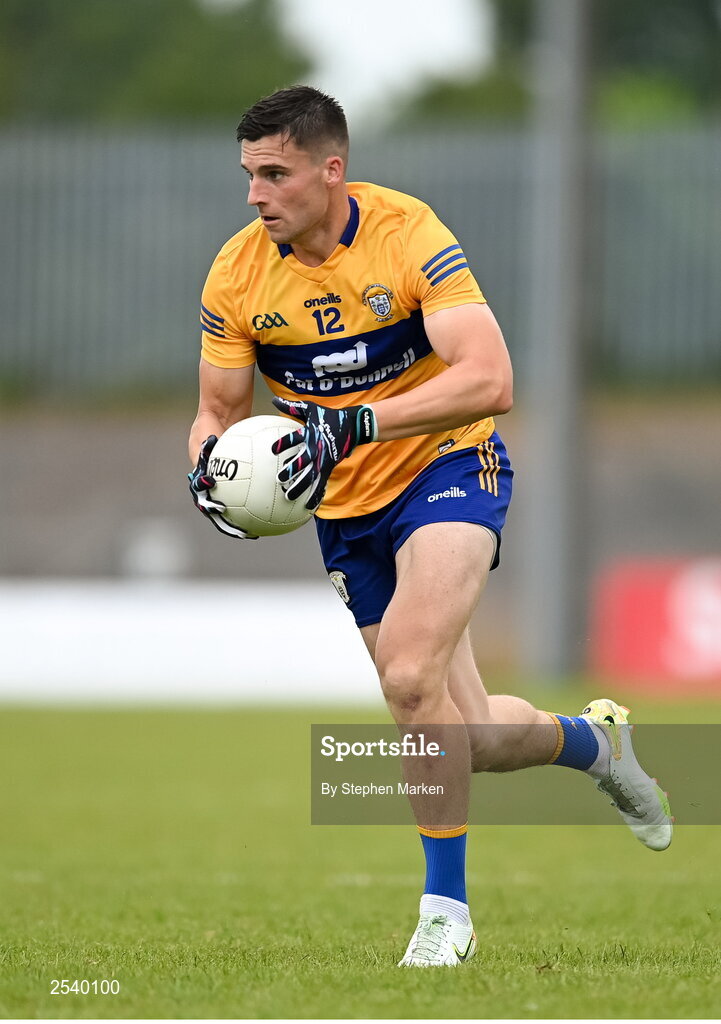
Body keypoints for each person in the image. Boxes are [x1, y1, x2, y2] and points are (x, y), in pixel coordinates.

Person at [188, 85, 672, 968]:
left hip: (447, 470)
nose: (255, 194)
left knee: (409, 677)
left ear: (330, 171)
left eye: (274, 174)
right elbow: (217, 411)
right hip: (342, 510)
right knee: (470, 734)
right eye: (249, 175)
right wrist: (209, 470)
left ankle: (444, 913)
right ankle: (596, 745)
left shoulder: (408, 235)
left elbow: (490, 378)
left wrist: (360, 422)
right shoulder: (236, 274)